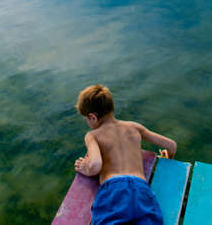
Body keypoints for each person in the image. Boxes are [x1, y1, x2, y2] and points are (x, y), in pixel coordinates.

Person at [74, 84, 177, 224]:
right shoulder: (134, 127)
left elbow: (95, 165)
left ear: (92, 117)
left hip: (114, 190)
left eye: (86, 119)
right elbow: (171, 145)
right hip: (140, 188)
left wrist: (85, 166)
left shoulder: (93, 135)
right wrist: (168, 156)